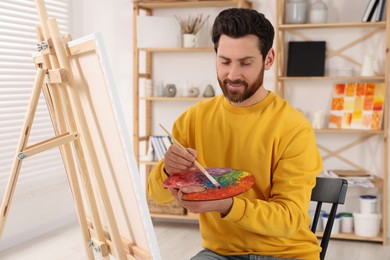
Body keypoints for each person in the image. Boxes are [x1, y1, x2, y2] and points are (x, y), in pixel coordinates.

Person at [148, 8, 322, 260]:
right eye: (225, 61)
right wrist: (167, 170)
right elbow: (156, 195)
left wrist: (227, 205)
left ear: (268, 59)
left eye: (245, 62)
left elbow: (289, 219)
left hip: (287, 253)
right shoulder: (193, 119)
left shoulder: (293, 127)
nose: (233, 75)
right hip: (219, 254)